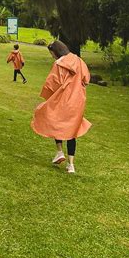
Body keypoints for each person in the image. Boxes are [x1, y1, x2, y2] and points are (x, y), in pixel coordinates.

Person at [31, 40, 91, 174]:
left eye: (51, 53)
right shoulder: (79, 61)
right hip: (77, 101)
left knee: (55, 121)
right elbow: (86, 79)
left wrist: (49, 98)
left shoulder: (59, 64)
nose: (52, 56)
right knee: (72, 131)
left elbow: (53, 83)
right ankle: (71, 165)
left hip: (63, 99)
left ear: (55, 52)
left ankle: (59, 151)